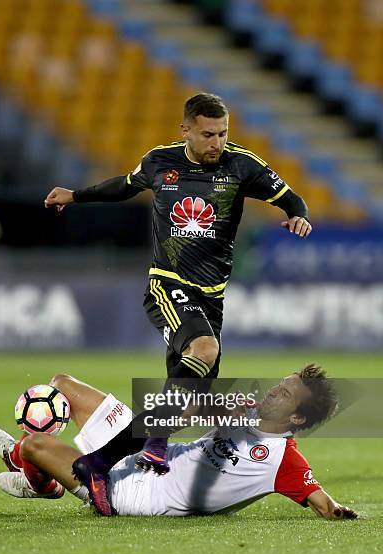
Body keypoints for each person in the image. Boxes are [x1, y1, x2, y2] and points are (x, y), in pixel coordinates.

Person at [44, 92, 312, 499]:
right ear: (185, 129)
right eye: (207, 134)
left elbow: (292, 198)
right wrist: (77, 195)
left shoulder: (243, 165)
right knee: (203, 348)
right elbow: (124, 186)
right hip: (167, 283)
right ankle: (147, 446)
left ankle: (92, 464)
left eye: (222, 134)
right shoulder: (160, 161)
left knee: (190, 404)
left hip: (211, 297)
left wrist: (297, 215)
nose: (216, 143)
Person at [0, 365, 357, 520]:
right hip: (136, 451)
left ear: (296, 418)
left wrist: (340, 512)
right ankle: (39, 480)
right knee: (61, 384)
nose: (275, 390)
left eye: (285, 394)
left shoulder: (282, 461)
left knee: (33, 444)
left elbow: (323, 504)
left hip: (131, 492)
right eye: (281, 383)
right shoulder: (244, 408)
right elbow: (182, 409)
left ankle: (36, 476)